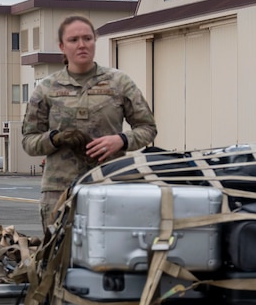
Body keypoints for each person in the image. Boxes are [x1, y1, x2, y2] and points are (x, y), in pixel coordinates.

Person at [21, 15, 157, 233]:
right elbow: (29, 141)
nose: (82, 45)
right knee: (59, 258)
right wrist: (55, 138)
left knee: (110, 252)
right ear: (62, 47)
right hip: (60, 190)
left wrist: (121, 140)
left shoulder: (119, 83)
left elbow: (147, 128)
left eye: (87, 38)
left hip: (108, 184)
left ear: (95, 41)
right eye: (74, 40)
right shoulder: (46, 88)